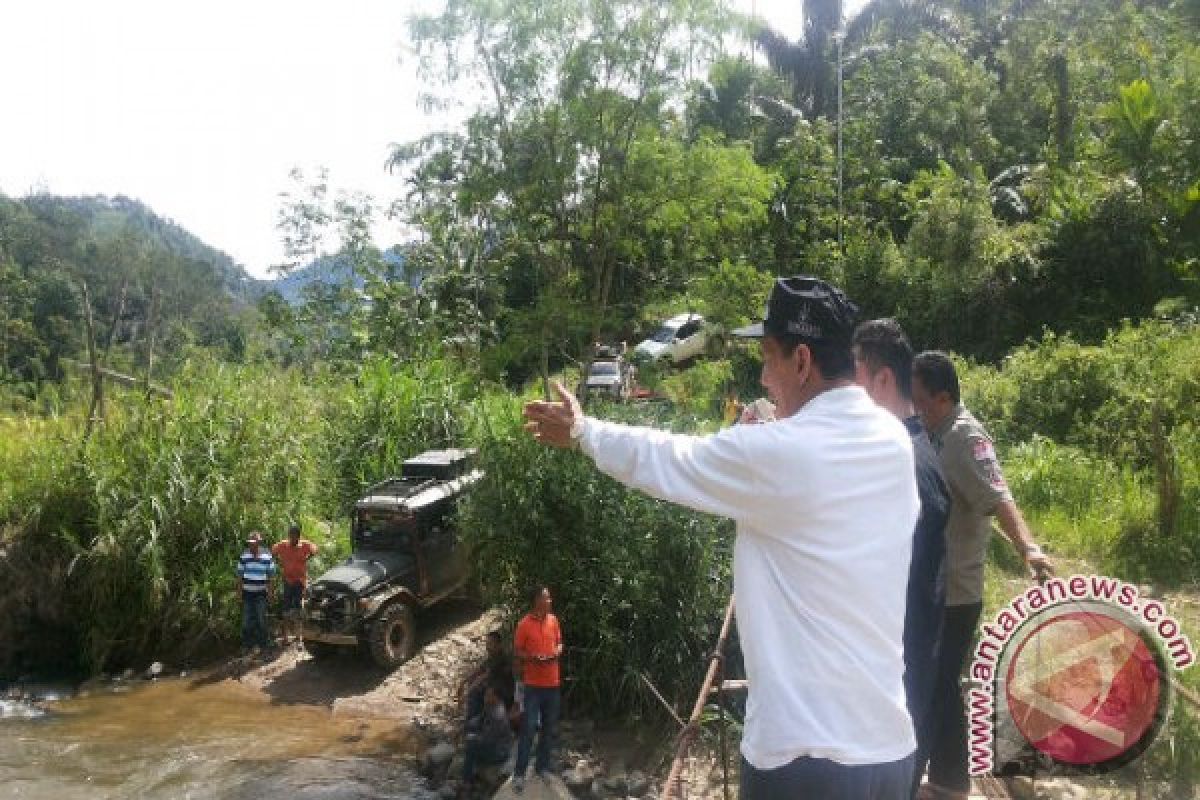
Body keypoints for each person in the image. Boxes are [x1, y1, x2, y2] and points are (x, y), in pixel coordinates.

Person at [524, 276, 920, 800]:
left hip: (806, 763)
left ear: (802, 361)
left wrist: (582, 432)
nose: (762, 375)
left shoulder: (785, 452)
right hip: (888, 752)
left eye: (770, 358)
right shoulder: (892, 439)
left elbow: (670, 459)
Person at [910, 351, 1054, 800]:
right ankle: (950, 781)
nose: (915, 410)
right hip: (940, 586)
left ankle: (932, 780)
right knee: (940, 684)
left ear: (943, 396)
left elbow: (999, 497)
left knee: (934, 684)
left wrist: (1028, 547)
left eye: (921, 401)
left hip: (956, 589)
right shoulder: (935, 432)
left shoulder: (964, 437)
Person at [853, 319, 951, 800]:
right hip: (910, 661)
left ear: (882, 381)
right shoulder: (916, 447)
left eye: (854, 381)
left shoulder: (906, 460)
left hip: (901, 671)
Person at [511, 586, 562, 793]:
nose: (550, 600)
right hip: (533, 686)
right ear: (536, 600)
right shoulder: (524, 624)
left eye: (549, 597)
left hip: (553, 684)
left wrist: (556, 653)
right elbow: (517, 651)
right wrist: (533, 658)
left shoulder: (554, 620)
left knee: (549, 729)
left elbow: (559, 643)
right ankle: (519, 774)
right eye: (546, 597)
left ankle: (542, 768)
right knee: (529, 729)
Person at [271, 523, 318, 646]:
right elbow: (273, 551)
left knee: (298, 608)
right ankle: (286, 637)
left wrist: (308, 557)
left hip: (299, 581)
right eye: (290, 535)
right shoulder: (283, 545)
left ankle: (299, 637)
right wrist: (279, 562)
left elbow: (315, 549)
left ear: (298, 536)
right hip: (287, 581)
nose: (292, 538)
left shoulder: (304, 545)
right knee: (285, 609)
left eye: (294, 536)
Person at [462, 682, 515, 786]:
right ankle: (473, 772)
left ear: (496, 697)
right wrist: (465, 727)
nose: (485, 697)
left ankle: (466, 781)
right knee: (470, 733)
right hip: (492, 744)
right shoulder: (491, 706)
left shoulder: (498, 715)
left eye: (489, 695)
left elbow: (488, 739)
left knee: (471, 747)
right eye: (486, 695)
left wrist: (472, 738)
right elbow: (479, 719)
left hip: (499, 752)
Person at [461, 630, 516, 721]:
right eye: (487, 643)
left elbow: (484, 676)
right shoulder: (492, 657)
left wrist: (467, 693)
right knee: (475, 685)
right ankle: (475, 717)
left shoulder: (501, 659)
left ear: (499, 645)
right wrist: (463, 682)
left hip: (505, 695)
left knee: (478, 688)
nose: (487, 647)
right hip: (495, 690)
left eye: (490, 644)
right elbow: (479, 670)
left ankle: (476, 720)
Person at [236, 532, 276, 654]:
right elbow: (239, 576)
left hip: (261, 593)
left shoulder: (267, 556)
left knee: (261, 619)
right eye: (250, 543)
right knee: (246, 621)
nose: (252, 545)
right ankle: (246, 645)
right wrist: (239, 594)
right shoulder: (244, 555)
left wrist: (270, 594)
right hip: (247, 593)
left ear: (259, 542)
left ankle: (263, 644)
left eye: (254, 543)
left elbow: (271, 577)